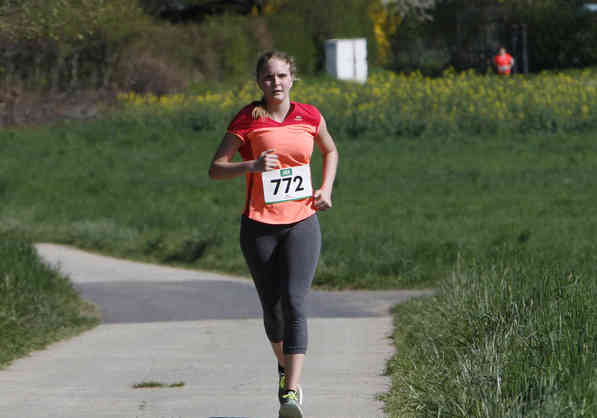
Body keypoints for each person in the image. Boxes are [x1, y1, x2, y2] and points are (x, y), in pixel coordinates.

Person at [208, 50, 339, 418]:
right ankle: (284, 367)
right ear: (259, 82)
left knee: (296, 302)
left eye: (282, 76)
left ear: (292, 78)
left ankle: (291, 392)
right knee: (273, 309)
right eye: (268, 77)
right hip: (259, 226)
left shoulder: (310, 115)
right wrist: (250, 165)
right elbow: (216, 168)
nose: (276, 82)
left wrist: (326, 188)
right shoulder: (248, 119)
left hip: (302, 221)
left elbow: (330, 150)